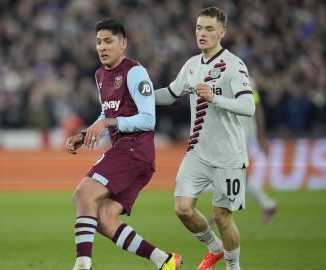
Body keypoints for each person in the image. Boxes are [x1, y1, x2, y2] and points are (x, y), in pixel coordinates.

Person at [65, 18, 182, 270]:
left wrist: (106, 123)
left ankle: (83, 265)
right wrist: (85, 133)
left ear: (123, 43)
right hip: (134, 155)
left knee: (83, 194)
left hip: (134, 148)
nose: (102, 47)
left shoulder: (135, 71)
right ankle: (166, 261)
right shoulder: (99, 75)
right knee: (104, 218)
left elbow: (148, 119)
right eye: (98, 42)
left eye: (108, 41)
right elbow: (106, 114)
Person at [155, 6, 255, 270]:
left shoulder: (234, 65)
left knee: (223, 217)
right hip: (197, 152)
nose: (202, 33)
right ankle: (215, 249)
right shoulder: (191, 65)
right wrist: (140, 97)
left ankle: (233, 266)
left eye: (209, 28)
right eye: (199, 27)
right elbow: (171, 93)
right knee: (182, 208)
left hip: (228, 156)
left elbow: (249, 107)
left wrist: (215, 98)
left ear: (222, 32)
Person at [240, 86, 277, 224]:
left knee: (234, 172)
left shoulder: (246, 80)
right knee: (237, 174)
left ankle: (222, 211)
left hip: (243, 134)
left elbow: (258, 109)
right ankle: (268, 204)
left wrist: (262, 138)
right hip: (235, 134)